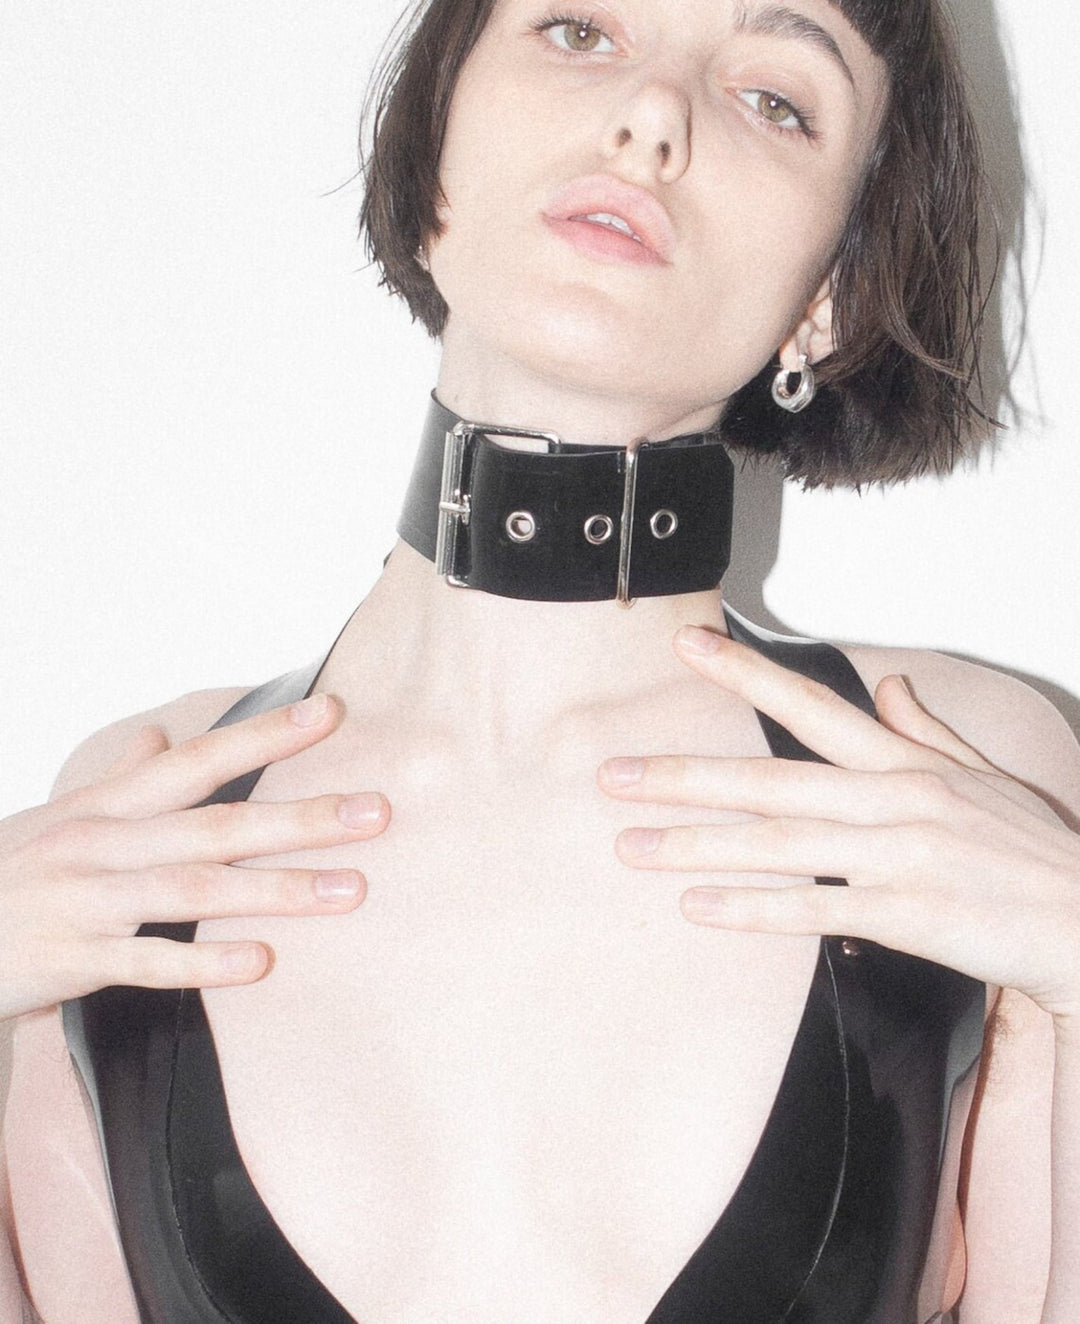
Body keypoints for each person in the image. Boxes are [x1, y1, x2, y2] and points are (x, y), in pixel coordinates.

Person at [2, 0, 1079, 1320]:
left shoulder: (961, 768)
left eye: (775, 99)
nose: (653, 115)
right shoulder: (141, 804)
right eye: (579, 30)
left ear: (831, 296)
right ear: (435, 148)